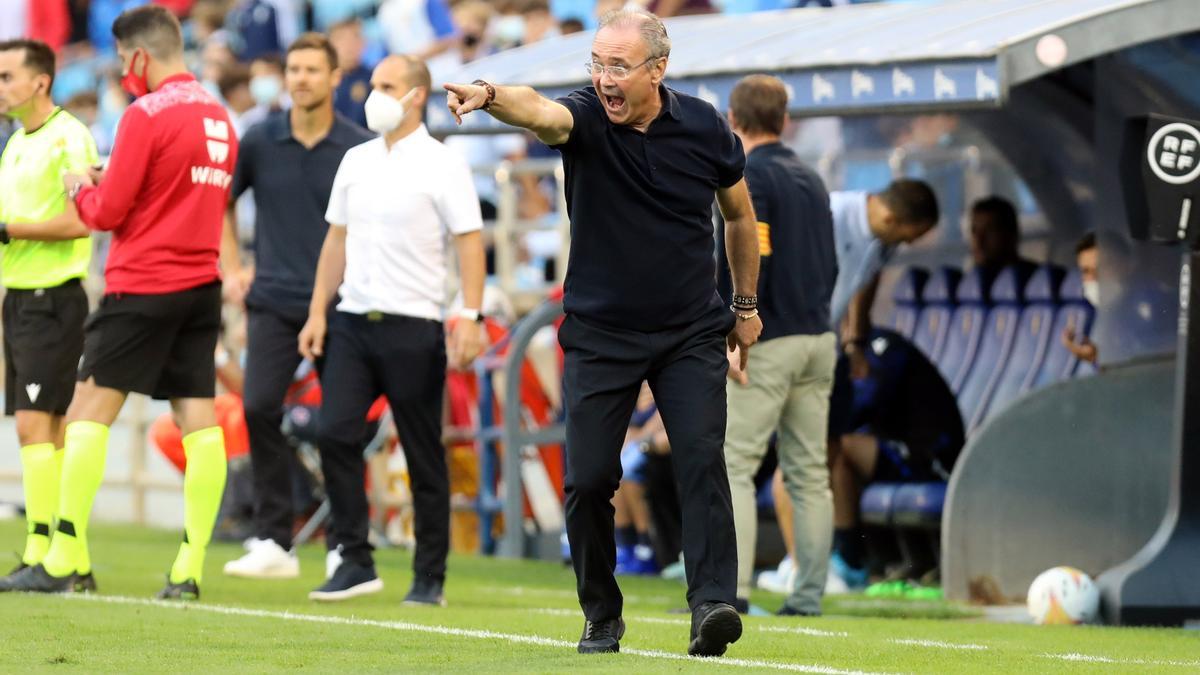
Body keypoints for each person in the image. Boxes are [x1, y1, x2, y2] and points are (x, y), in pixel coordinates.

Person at [445, 8, 762, 657]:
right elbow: (540, 112)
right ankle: (601, 610)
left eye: (618, 66)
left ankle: (711, 603)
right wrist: (493, 96)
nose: (604, 78)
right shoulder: (585, 115)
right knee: (588, 479)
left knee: (702, 460)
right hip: (600, 332)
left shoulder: (704, 125)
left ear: (658, 69)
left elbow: (740, 216)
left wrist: (747, 304)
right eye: (597, 63)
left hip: (690, 332)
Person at [0, 5, 237, 600]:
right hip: (200, 285)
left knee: (82, 416)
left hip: (143, 283)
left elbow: (105, 214)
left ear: (137, 57)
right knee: (199, 423)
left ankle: (62, 559)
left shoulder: (145, 113)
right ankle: (188, 570)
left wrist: (82, 183)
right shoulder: (219, 115)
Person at [299, 54, 486, 605]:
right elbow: (336, 240)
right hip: (354, 320)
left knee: (424, 453)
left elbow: (469, 242)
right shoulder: (356, 159)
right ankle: (354, 559)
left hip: (415, 324)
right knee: (334, 432)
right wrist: (317, 310)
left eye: (387, 85)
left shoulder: (442, 164)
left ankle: (430, 576)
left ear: (416, 95)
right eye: (374, 82)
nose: (373, 93)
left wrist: (469, 315)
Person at [221, 33, 373, 580]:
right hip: (274, 301)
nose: (301, 78)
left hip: (344, 303)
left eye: (312, 69)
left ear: (335, 77)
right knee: (259, 407)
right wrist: (231, 267)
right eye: (294, 69)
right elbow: (223, 206)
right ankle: (273, 541)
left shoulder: (359, 146)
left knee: (341, 424)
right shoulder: (259, 139)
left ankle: (347, 544)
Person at [759, 178, 940, 595]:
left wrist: (855, 337)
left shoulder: (882, 239)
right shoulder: (827, 214)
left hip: (829, 351)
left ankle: (812, 562)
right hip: (794, 344)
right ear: (891, 217)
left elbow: (867, 275)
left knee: (828, 454)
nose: (906, 245)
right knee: (799, 457)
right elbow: (771, 266)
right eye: (908, 236)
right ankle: (799, 565)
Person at [717, 74, 838, 618]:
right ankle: (809, 595)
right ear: (784, 120)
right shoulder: (812, 177)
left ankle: (732, 591)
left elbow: (750, 256)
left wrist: (735, 330)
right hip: (819, 336)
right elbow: (832, 261)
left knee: (734, 463)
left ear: (733, 121)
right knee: (809, 472)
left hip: (770, 337)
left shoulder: (750, 176)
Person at [0, 39, 98, 590]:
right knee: (41, 429)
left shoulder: (69, 136)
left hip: (53, 298)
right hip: (20, 297)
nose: (0, 86)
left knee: (39, 426)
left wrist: (8, 232)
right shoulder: (15, 142)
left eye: (7, 75)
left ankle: (45, 556)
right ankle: (69, 559)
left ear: (40, 82)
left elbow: (83, 219)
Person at [968, 195, 1038, 287]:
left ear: (1011, 234)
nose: (979, 239)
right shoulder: (970, 284)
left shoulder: (1034, 282)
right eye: (974, 231)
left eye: (990, 230)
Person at [1062, 232, 1099, 365]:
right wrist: (1095, 358)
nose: (1094, 278)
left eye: (1100, 269)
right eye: (1086, 271)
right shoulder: (1100, 315)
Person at [328, 17, 369, 128]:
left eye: (355, 38)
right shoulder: (322, 80)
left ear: (364, 43)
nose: (349, 45)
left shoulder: (375, 79)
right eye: (342, 39)